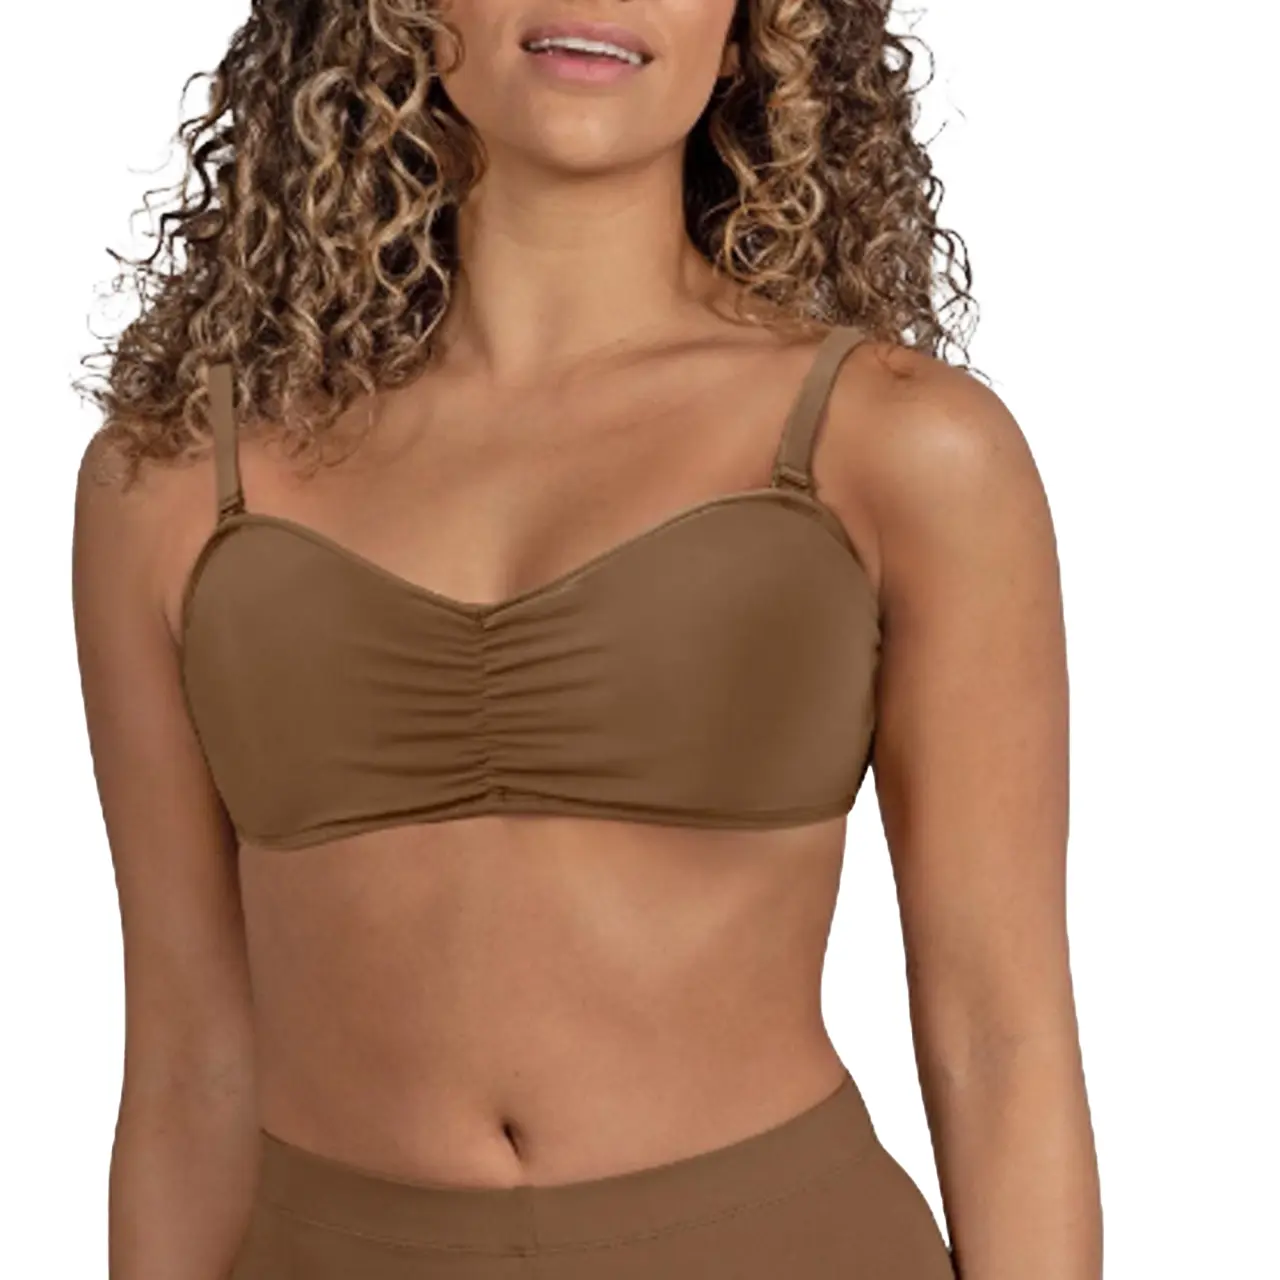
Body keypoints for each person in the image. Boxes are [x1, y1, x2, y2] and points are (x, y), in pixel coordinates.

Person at [72, 1, 1102, 1276]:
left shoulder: (902, 448)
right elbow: (185, 1060)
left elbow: (999, 1034)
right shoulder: (174, 478)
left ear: (753, 31)